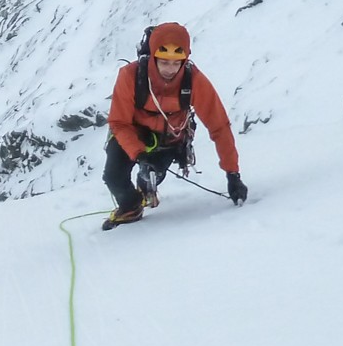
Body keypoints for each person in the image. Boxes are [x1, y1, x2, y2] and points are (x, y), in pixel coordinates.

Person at [103, 21, 248, 227]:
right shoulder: (130, 76)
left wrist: (233, 174)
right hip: (132, 131)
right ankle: (131, 207)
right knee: (113, 176)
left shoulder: (194, 80)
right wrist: (139, 153)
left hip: (170, 137)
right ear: (153, 57)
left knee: (153, 174)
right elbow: (119, 122)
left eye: (176, 63)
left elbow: (219, 126)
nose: (170, 69)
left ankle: (145, 188)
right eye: (164, 62)